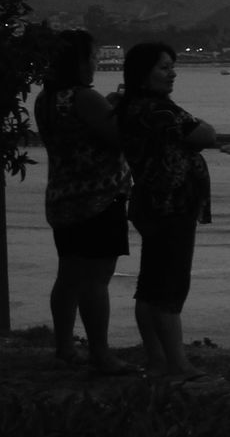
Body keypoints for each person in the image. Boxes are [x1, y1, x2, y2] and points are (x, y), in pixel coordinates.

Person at [33, 29, 136, 375]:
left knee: (68, 276)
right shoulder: (84, 98)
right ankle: (101, 353)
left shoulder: (46, 99)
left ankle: (64, 346)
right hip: (98, 198)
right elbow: (119, 137)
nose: (96, 62)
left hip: (63, 197)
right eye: (93, 56)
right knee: (96, 279)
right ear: (79, 61)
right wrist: (119, 107)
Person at [116, 42, 217, 379]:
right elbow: (206, 134)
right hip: (172, 207)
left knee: (150, 286)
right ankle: (178, 363)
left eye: (172, 66)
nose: (172, 73)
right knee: (170, 288)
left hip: (150, 204)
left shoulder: (130, 107)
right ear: (143, 73)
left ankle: (157, 359)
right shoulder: (160, 112)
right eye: (163, 67)